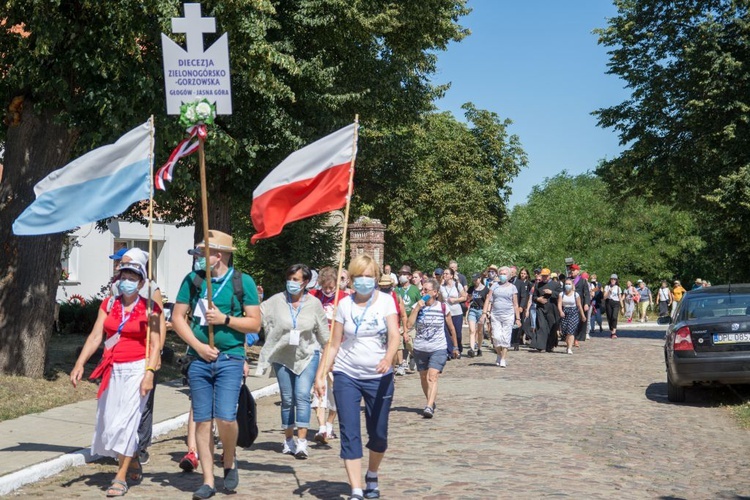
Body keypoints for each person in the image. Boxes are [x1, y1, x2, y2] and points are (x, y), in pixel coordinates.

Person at [171, 230, 261, 499]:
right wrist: (198, 346)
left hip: (230, 358)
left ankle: (230, 457)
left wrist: (224, 319)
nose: (197, 257)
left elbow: (254, 323)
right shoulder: (193, 280)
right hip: (199, 360)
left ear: (217, 255)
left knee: (225, 417)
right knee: (202, 420)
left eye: (202, 253)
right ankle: (208, 480)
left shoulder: (242, 282)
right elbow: (177, 318)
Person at [70, 261, 162, 497]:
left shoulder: (150, 308)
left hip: (138, 369)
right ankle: (130, 461)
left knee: (127, 423)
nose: (127, 281)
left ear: (141, 283)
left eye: (133, 277)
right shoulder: (109, 303)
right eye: (124, 276)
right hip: (112, 368)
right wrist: (80, 363)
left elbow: (156, 344)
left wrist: (150, 373)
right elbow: (95, 336)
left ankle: (119, 478)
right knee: (109, 423)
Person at [314, 254, 400, 500]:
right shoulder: (344, 305)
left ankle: (372, 474)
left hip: (379, 376)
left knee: (379, 434)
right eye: (359, 276)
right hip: (346, 374)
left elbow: (394, 335)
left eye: (369, 276)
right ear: (351, 279)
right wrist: (321, 375)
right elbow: (334, 343)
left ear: (375, 278)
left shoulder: (385, 302)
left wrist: (388, 358)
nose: (364, 280)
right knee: (349, 431)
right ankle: (355, 489)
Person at [257, 264, 328, 459]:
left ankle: (302, 442)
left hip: (307, 356)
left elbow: (324, 336)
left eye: (296, 279)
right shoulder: (276, 301)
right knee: (287, 399)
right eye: (289, 278)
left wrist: (325, 367)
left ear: (305, 282)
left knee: (302, 395)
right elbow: (257, 316)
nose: (292, 283)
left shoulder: (314, 304)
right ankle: (288, 440)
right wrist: (258, 299)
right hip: (283, 357)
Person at [308, 267, 348, 444]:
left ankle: (330, 423)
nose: (329, 291)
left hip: (339, 347)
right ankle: (322, 427)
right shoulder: (314, 296)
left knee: (336, 390)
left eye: (332, 287)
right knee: (320, 385)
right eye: (326, 287)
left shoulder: (345, 299)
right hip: (318, 345)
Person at [407, 278, 459, 418]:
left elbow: (451, 328)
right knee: (424, 377)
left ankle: (429, 406)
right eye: (422, 290)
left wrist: (455, 346)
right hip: (420, 348)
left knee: (432, 376)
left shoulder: (442, 307)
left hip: (438, 347)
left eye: (426, 290)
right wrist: (417, 307)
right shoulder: (417, 307)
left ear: (435, 292)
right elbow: (409, 325)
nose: (423, 292)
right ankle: (430, 400)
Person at [483, 266, 522, 366]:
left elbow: (515, 304)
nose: (502, 276)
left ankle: (503, 359)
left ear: (509, 276)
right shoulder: (494, 286)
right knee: (496, 337)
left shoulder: (512, 287)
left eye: (504, 274)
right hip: (495, 314)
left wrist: (518, 318)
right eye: (501, 274)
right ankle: (499, 354)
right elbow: (488, 299)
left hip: (508, 315)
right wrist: (485, 312)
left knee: (506, 337)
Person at [377, 275, 408, 375]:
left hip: (394, 328)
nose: (385, 288)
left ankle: (392, 369)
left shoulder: (397, 297)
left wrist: (405, 330)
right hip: (380, 329)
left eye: (387, 286)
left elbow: (403, 315)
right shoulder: (376, 297)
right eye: (383, 286)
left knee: (394, 351)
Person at [395, 265, 422, 374]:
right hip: (399, 319)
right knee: (399, 343)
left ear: (410, 276)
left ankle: (413, 356)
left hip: (411, 319)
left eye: (405, 274)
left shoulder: (414, 290)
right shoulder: (396, 290)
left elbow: (420, 304)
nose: (402, 276)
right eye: (401, 274)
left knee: (410, 342)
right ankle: (401, 364)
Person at [530, 268, 560, 352]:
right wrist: (538, 299)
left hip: (552, 308)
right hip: (541, 308)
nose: (544, 278)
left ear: (549, 276)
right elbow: (534, 297)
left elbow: (560, 295)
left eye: (546, 276)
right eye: (543, 276)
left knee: (551, 327)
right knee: (542, 326)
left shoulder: (556, 284)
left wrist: (552, 293)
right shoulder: (537, 285)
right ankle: (540, 345)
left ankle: (550, 345)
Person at [439, 268, 467, 357]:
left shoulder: (457, 285)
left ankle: (458, 348)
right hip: (446, 313)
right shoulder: (441, 287)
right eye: (444, 274)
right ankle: (450, 351)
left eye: (447, 274)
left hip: (457, 312)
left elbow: (464, 297)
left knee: (457, 333)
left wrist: (455, 300)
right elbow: (440, 300)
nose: (445, 275)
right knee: (447, 332)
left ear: (451, 276)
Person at [558, 278, 586, 354]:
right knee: (565, 331)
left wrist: (583, 315)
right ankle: (568, 345)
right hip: (564, 312)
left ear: (572, 285)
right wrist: (560, 311)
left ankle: (570, 348)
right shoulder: (561, 294)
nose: (567, 285)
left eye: (569, 284)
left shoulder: (575, 294)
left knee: (571, 331)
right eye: (566, 284)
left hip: (573, 313)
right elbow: (559, 304)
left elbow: (579, 305)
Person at [466, 273, 489, 357]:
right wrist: (469, 300)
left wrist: (486, 312)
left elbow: (488, 301)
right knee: (472, 330)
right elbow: (468, 299)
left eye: (476, 279)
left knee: (480, 331)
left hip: (481, 310)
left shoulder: (486, 289)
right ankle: (472, 349)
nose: (475, 281)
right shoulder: (471, 288)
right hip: (472, 309)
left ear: (480, 279)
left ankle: (479, 348)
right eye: (474, 280)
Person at [603, 274, 623, 338]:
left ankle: (614, 332)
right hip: (608, 302)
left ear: (616, 280)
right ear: (610, 280)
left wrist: (622, 307)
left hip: (616, 303)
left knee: (614, 317)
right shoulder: (607, 287)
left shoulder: (618, 288)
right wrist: (609, 291)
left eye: (614, 279)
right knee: (609, 317)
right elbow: (604, 297)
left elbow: (620, 297)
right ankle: (611, 330)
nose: (613, 280)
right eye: (612, 279)